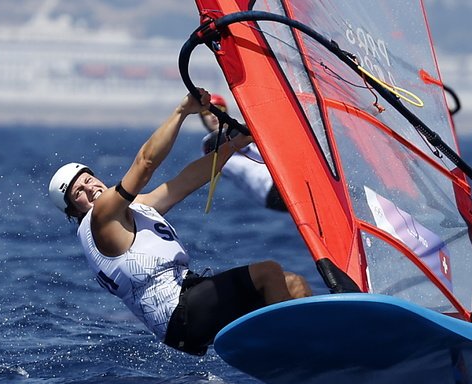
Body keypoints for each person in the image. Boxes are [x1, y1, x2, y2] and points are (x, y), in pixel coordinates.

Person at [48, 89, 312, 356]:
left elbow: (182, 184)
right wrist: (182, 111)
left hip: (188, 300)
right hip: (179, 315)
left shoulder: (129, 210)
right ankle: (291, 353)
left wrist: (232, 145)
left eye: (88, 178)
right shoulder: (101, 217)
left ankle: (317, 344)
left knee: (292, 284)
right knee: (267, 272)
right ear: (73, 209)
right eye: (78, 191)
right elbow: (145, 163)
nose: (90, 187)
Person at [200, 94, 287, 211]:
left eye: (218, 110)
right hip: (268, 189)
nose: (213, 116)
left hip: (283, 178)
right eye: (206, 113)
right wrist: (260, 121)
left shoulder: (244, 132)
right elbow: (224, 137)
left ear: (225, 112)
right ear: (201, 118)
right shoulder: (209, 144)